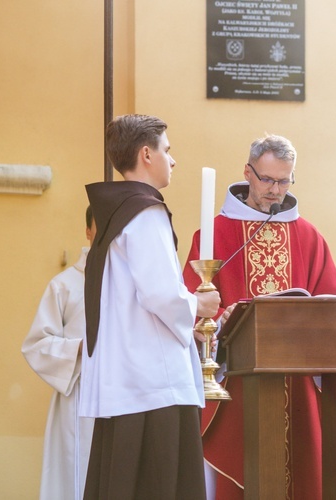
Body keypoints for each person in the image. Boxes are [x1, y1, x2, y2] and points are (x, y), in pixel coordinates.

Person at [182, 134, 336, 499]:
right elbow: (191, 303)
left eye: (284, 180)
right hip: (235, 382)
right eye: (267, 179)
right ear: (248, 173)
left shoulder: (309, 237)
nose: (275, 190)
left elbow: (335, 308)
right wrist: (225, 319)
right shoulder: (213, 234)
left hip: (298, 385)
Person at [79, 114, 220, 499]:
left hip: (127, 378)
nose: (172, 160)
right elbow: (159, 294)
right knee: (161, 485)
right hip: (153, 384)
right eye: (167, 150)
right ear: (146, 154)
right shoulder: (144, 212)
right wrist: (198, 305)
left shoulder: (115, 214)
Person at [21, 206, 97, 500]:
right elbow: (36, 344)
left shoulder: (129, 282)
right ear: (88, 231)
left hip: (122, 395)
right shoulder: (65, 285)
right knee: (76, 475)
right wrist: (77, 347)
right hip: (77, 397)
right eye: (98, 226)